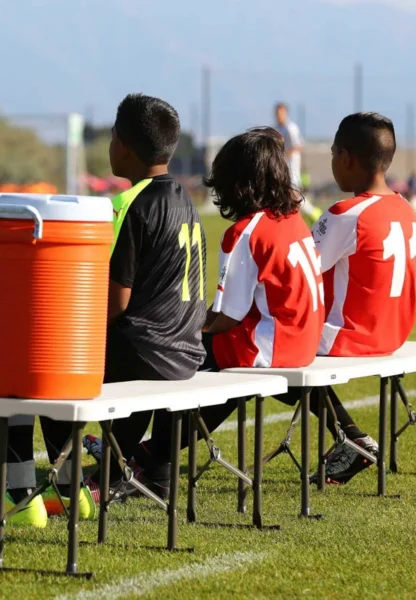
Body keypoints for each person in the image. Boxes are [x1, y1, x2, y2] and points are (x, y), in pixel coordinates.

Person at [0, 93, 206, 525]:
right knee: (52, 367)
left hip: (144, 352)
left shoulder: (129, 205)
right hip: (183, 352)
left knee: (25, 368)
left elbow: (114, 301)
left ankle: (20, 501)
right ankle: (72, 494)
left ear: (122, 145)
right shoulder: (186, 201)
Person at [85, 127, 325, 496]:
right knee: (182, 351)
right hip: (304, 342)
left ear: (236, 182)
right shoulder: (293, 221)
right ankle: (150, 458)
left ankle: (135, 464)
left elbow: (227, 317)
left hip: (270, 345)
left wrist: (180, 327)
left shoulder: (246, 231)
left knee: (169, 354)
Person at [306, 112, 416, 484]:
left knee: (246, 347)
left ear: (348, 159)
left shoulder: (346, 213)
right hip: (395, 333)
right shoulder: (405, 208)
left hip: (353, 337)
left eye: (333, 153)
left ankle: (153, 459)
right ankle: (351, 437)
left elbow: (298, 270)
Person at [274, 103, 322, 223]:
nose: (279, 115)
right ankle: (302, 216)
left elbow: (298, 145)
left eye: (281, 113)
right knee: (290, 196)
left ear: (286, 113)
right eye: (277, 113)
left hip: (291, 168)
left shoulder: (290, 128)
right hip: (283, 167)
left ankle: (313, 213)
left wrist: (285, 156)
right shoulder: (277, 128)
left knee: (294, 195)